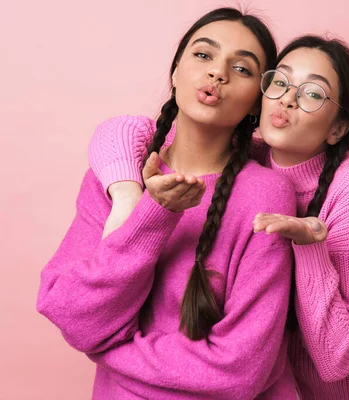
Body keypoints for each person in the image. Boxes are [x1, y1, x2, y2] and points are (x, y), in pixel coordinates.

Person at [89, 35, 349, 399]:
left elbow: (338, 360)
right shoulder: (251, 155)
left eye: (313, 94)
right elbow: (122, 131)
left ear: (338, 129)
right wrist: (126, 195)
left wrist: (309, 248)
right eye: (280, 81)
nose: (288, 98)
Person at [36, 8, 300, 399]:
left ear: (255, 104)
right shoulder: (116, 175)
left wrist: (108, 345)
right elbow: (71, 312)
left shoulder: (267, 195)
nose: (218, 74)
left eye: (242, 69)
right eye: (203, 55)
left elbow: (240, 371)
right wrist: (151, 214)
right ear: (175, 72)